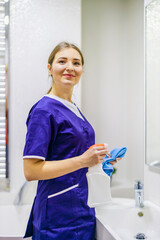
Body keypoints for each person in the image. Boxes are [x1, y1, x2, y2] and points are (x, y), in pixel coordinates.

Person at [23, 41, 120, 240]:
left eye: (76, 63)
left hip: (81, 207)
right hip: (58, 215)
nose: (70, 67)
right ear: (50, 68)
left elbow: (70, 153)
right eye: (62, 61)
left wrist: (99, 159)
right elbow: (31, 170)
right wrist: (84, 161)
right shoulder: (44, 111)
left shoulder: (72, 107)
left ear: (82, 70)